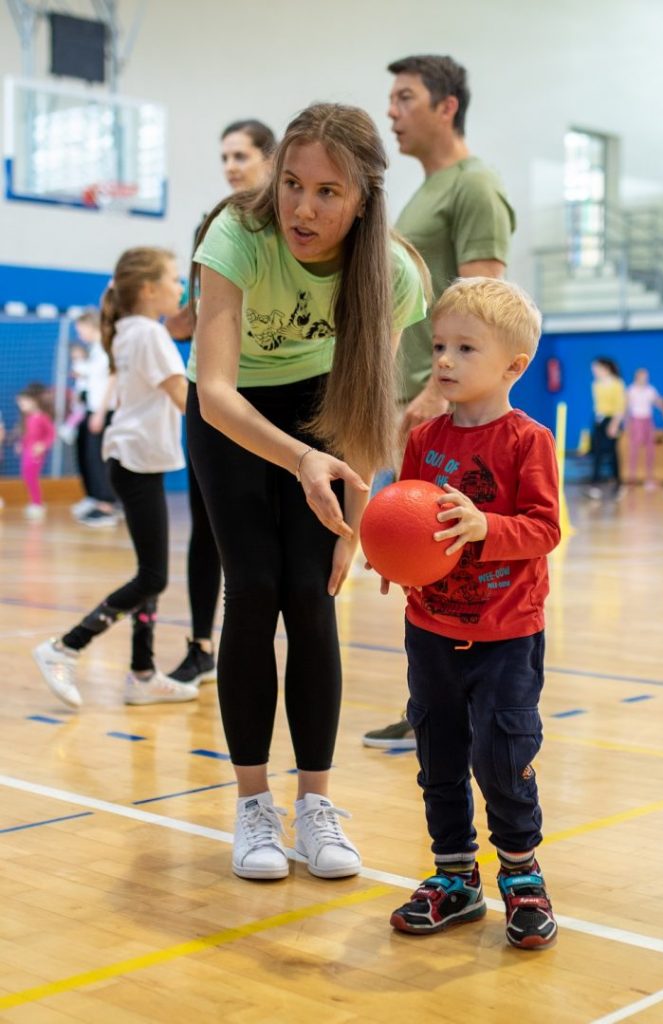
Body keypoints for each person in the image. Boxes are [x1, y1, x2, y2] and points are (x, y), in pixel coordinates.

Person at [189, 102, 427, 882]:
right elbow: (216, 390)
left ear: (363, 197)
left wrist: (356, 526)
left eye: (327, 192)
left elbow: (364, 404)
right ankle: (254, 804)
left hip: (322, 410)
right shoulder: (237, 235)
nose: (302, 207)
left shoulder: (389, 272)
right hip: (237, 419)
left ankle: (316, 806)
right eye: (292, 183)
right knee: (252, 590)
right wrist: (299, 462)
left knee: (312, 591)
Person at [370, 277, 560, 949]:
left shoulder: (527, 441)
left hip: (507, 633)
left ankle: (520, 874)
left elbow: (544, 529)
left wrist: (485, 527)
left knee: (501, 755)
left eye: (464, 348)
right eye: (439, 346)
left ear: (513, 365)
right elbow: (408, 520)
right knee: (439, 753)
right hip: (430, 629)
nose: (444, 361)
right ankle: (454, 877)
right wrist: (395, 560)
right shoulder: (424, 437)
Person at [364, 53, 516, 751]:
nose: (391, 112)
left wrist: (432, 391)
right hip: (409, 398)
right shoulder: (424, 190)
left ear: (445, 107)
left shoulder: (474, 187)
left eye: (404, 98)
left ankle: (466, 704)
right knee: (416, 559)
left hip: (440, 405)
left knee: (447, 550)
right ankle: (429, 704)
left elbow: (481, 305)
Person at [33, 247, 200, 710]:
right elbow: (187, 399)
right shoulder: (148, 334)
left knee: (151, 573)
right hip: (136, 461)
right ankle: (66, 646)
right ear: (147, 289)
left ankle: (143, 673)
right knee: (153, 575)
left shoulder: (131, 330)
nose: (179, 288)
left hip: (133, 460)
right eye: (172, 279)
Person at [167, 119, 277, 686]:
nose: (232, 166)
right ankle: (201, 644)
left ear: (269, 158)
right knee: (206, 524)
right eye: (225, 157)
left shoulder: (291, 225)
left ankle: (259, 641)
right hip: (209, 385)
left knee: (263, 527)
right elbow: (195, 314)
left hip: (269, 386)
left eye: (242, 155)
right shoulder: (208, 227)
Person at [68, 310, 119, 528]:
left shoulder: (107, 347)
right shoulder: (96, 349)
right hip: (93, 408)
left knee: (100, 458)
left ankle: (106, 504)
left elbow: (112, 379)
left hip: (104, 410)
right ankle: (97, 498)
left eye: (81, 329)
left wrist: (99, 412)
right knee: (91, 456)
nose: (80, 334)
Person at [586, 357, 626, 500]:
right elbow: (598, 405)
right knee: (597, 453)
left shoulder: (617, 384)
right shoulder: (595, 384)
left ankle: (619, 485)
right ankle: (594, 485)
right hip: (599, 421)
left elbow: (620, 406)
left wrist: (614, 424)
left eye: (596, 368)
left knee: (612, 453)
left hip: (612, 420)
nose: (594, 371)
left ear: (605, 368)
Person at [15, 382, 56, 520]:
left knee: (32, 476)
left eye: (24, 402)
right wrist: (21, 444)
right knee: (26, 475)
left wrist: (43, 445)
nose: (22, 406)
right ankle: (34, 501)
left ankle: (37, 503)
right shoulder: (27, 418)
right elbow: (27, 435)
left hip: (36, 453)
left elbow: (51, 435)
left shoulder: (42, 417)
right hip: (27, 451)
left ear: (34, 401)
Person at [625, 368, 663, 490]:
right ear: (637, 377)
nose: (645, 379)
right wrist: (626, 424)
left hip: (648, 420)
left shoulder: (650, 389)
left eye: (646, 376)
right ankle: (631, 479)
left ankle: (649, 479)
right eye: (642, 376)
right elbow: (626, 407)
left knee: (650, 450)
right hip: (636, 420)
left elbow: (659, 403)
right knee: (634, 450)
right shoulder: (631, 390)